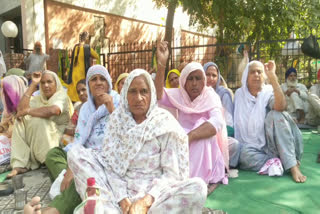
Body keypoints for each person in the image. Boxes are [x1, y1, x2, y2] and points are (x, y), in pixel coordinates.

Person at [63, 69, 207, 213]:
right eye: (132, 91)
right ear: (125, 94)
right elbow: (110, 168)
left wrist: (145, 202)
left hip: (155, 198)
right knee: (75, 154)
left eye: (144, 91)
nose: (138, 98)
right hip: (117, 195)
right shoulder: (117, 121)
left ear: (151, 94)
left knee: (198, 188)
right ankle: (110, 208)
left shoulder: (164, 123)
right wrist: (123, 200)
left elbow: (172, 174)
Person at [44, 65, 120, 214]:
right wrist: (71, 169)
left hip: (105, 157)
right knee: (53, 154)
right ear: (89, 85)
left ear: (109, 83)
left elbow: (125, 133)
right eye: (94, 79)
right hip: (83, 153)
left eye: (102, 79)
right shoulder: (85, 108)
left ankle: (58, 207)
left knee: (84, 173)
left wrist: (110, 107)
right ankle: (77, 183)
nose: (98, 82)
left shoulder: (118, 101)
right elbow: (78, 141)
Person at [155, 41, 229, 186]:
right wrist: (161, 64)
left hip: (203, 142)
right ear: (184, 81)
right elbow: (158, 94)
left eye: (198, 78)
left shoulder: (210, 96)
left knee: (203, 131)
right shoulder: (179, 94)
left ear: (204, 81)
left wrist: (191, 136)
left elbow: (217, 122)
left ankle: (193, 181)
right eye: (190, 79)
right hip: (181, 139)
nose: (194, 83)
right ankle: (180, 178)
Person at [234, 60, 306, 183]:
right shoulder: (239, 95)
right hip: (257, 151)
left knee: (275, 115)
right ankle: (278, 163)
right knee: (242, 154)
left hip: (279, 144)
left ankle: (292, 165)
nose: (256, 74)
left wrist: (273, 78)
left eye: (259, 72)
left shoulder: (268, 92)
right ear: (246, 76)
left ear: (264, 76)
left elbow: (280, 106)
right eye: (253, 72)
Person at [7, 71, 72, 178]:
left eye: (49, 82)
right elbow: (20, 110)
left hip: (60, 137)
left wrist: (28, 111)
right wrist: (33, 84)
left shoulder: (61, 95)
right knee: (20, 121)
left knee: (38, 120)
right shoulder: (39, 98)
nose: (46, 85)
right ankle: (20, 164)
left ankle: (49, 160)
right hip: (42, 134)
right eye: (42, 83)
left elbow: (54, 110)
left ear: (56, 83)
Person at [203, 62, 240, 168]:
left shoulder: (223, 94)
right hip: (201, 135)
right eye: (207, 74)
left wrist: (215, 134)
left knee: (235, 145)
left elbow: (229, 125)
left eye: (214, 75)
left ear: (218, 77)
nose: (211, 78)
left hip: (219, 134)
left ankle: (223, 168)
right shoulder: (197, 93)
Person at [67, 32, 99, 102]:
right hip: (82, 73)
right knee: (82, 88)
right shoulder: (87, 47)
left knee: (75, 89)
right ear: (86, 38)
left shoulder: (75, 47)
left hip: (74, 73)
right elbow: (96, 56)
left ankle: (73, 102)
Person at [61, 79, 88, 146]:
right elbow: (71, 126)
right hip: (78, 136)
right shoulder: (78, 108)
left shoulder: (97, 105)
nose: (81, 94)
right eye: (78, 92)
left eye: (83, 90)